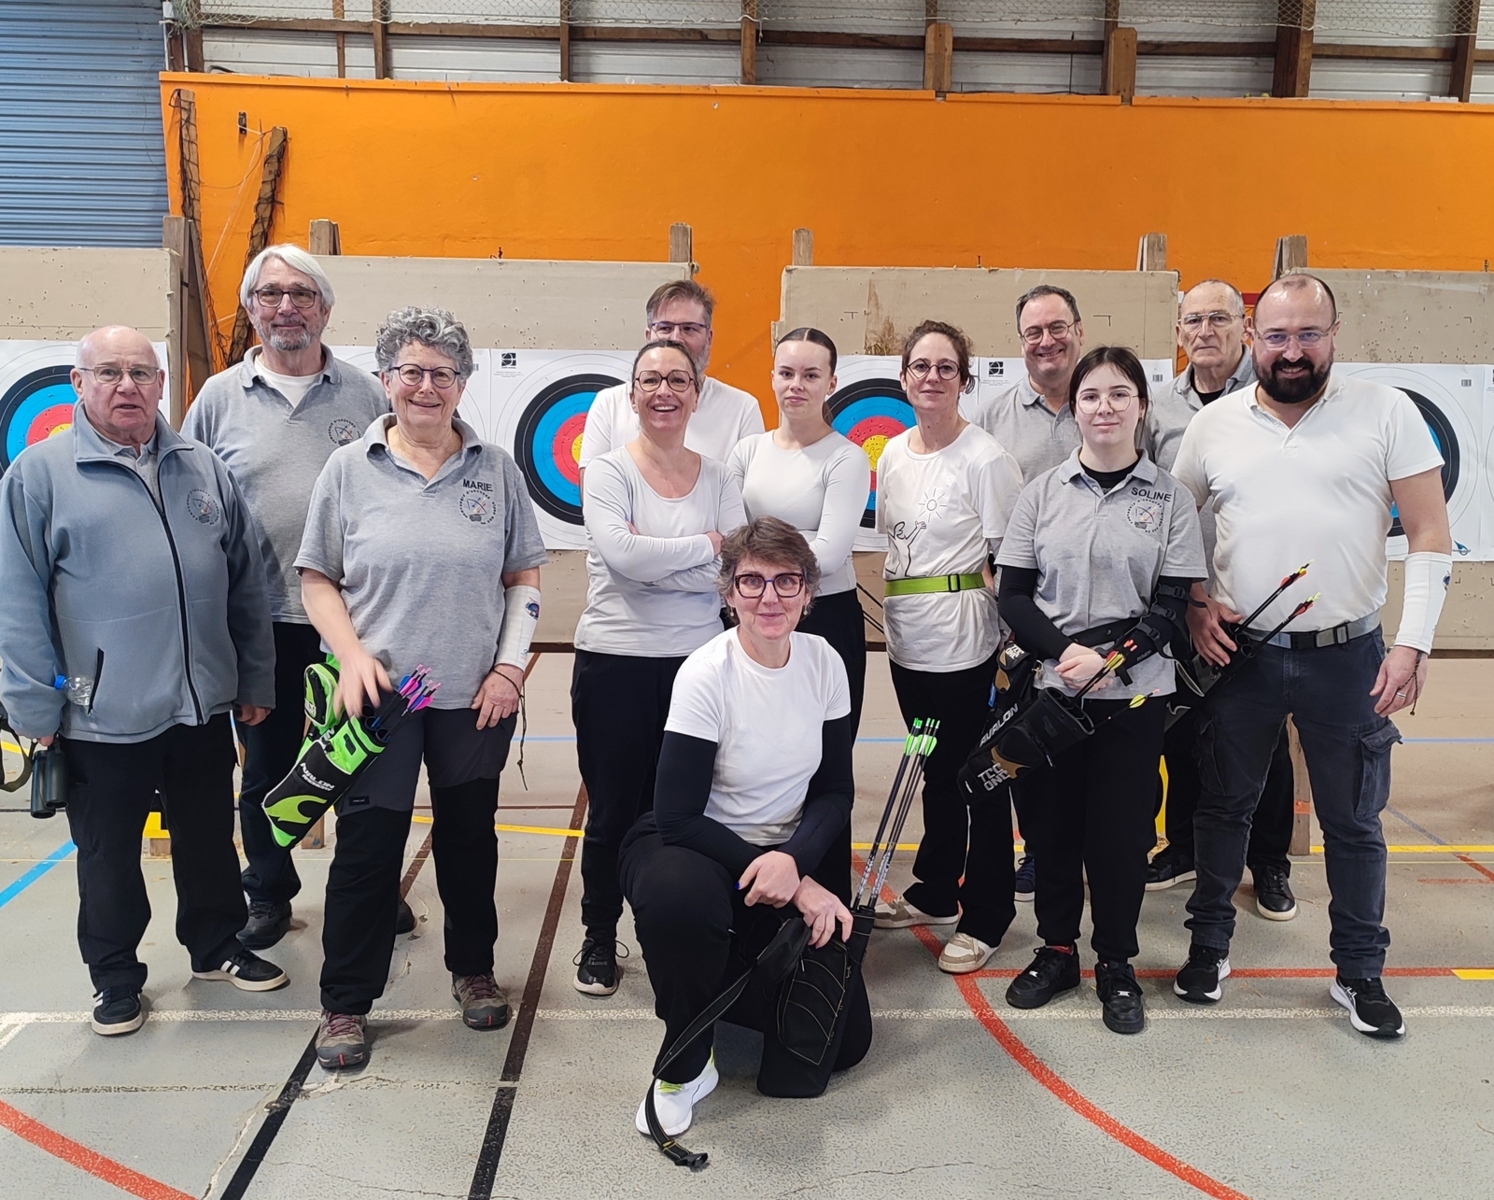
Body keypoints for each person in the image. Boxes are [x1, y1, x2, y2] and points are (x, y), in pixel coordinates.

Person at [1171, 273, 1452, 1038]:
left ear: (1334, 335)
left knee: (1353, 822)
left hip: (1348, 656)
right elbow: (1173, 526)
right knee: (1222, 806)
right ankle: (1208, 949)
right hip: (1242, 658)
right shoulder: (1214, 426)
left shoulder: (1387, 412)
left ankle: (1359, 972)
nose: (1292, 351)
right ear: (1252, 339)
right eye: (1277, 335)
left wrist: (1413, 641)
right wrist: (1195, 603)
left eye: (1308, 334)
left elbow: (1430, 530)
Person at [0, 326, 286, 1037]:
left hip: (199, 703)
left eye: (141, 372)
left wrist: (253, 677)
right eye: (109, 372)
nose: (126, 386)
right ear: (79, 384)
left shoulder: (202, 466)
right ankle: (115, 976)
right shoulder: (39, 475)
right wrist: (33, 706)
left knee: (208, 835)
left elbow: (248, 582)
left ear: (162, 384)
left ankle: (216, 946)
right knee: (108, 854)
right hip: (100, 712)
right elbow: (15, 599)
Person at [295, 307, 548, 1070]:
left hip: (473, 700)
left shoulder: (496, 470)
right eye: (411, 371)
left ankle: (474, 971)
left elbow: (524, 579)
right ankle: (345, 1002)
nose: (426, 387)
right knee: (368, 850)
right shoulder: (348, 469)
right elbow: (317, 580)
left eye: (443, 373)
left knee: (469, 841)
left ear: (463, 385)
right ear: (385, 379)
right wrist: (350, 658)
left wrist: (509, 668)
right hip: (377, 704)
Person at [619, 517, 869, 1138]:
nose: (770, 598)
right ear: (729, 593)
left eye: (787, 581)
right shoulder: (707, 672)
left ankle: (718, 977)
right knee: (679, 901)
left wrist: (796, 861)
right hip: (696, 844)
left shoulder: (825, 662)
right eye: (752, 581)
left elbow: (835, 792)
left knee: (847, 1044)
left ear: (808, 592)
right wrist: (796, 881)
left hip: (782, 852)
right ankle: (686, 1061)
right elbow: (677, 815)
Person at [182, 243, 390, 950]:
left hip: (355, 622)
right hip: (261, 621)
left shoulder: (367, 395)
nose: (286, 307)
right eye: (270, 294)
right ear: (250, 309)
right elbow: (190, 499)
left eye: (302, 293)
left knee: (360, 762)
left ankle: (366, 892)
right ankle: (268, 893)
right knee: (266, 767)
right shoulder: (218, 399)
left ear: (325, 309)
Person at [996, 346, 1206, 1035]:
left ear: (1142, 406)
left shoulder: (1170, 498)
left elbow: (1172, 604)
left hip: (1133, 701)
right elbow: (1014, 595)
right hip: (1053, 695)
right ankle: (1058, 951)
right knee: (1051, 829)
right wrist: (1067, 655)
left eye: (1120, 394)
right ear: (1076, 408)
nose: (1104, 407)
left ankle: (1116, 961)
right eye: (1091, 396)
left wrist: (1113, 661)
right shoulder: (1041, 492)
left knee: (1118, 838)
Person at [571, 340, 746, 998]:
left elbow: (732, 567)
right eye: (649, 380)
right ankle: (598, 934)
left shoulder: (719, 475)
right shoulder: (608, 470)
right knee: (613, 810)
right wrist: (703, 547)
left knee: (687, 809)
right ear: (632, 394)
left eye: (677, 380)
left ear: (696, 394)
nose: (663, 392)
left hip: (698, 665)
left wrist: (662, 559)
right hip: (614, 662)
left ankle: (673, 932)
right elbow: (623, 559)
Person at [871, 320, 1025, 974]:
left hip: (966, 647)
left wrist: (1010, 644)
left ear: (964, 379)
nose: (932, 377)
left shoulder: (985, 458)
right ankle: (935, 890)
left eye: (946, 367)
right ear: (904, 377)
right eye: (921, 366)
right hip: (908, 643)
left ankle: (987, 915)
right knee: (933, 766)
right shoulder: (893, 454)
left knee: (977, 777)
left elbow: (1011, 559)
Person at [1143, 280, 1297, 918]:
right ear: (1179, 331)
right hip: (1183, 599)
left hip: (1253, 601)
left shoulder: (1275, 395)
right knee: (1181, 732)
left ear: (1246, 328)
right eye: (1193, 320)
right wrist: (1181, 595)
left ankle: (1270, 863)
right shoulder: (1159, 409)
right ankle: (1184, 848)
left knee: (1263, 739)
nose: (1205, 331)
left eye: (1219, 318)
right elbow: (1151, 498)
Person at [967, 283, 1086, 902]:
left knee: (1107, 735)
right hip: (1025, 605)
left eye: (1057, 327)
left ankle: (1107, 848)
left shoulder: (1105, 400)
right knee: (1033, 734)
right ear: (1020, 343)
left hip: (1104, 601)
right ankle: (1039, 849)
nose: (1046, 341)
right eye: (1033, 332)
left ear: (1079, 332)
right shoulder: (993, 418)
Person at [728, 328, 871, 735]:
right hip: (755, 615)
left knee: (824, 743)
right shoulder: (747, 451)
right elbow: (728, 542)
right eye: (787, 373)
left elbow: (829, 555)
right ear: (772, 377)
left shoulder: (847, 458)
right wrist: (804, 537)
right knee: (753, 741)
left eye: (811, 375)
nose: (796, 385)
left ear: (831, 383)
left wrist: (755, 556)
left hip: (824, 615)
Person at [577, 279, 764, 487]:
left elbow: (745, 498)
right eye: (665, 328)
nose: (676, 338)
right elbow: (593, 491)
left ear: (709, 338)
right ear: (648, 336)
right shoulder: (609, 404)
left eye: (689, 328)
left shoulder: (743, 409)